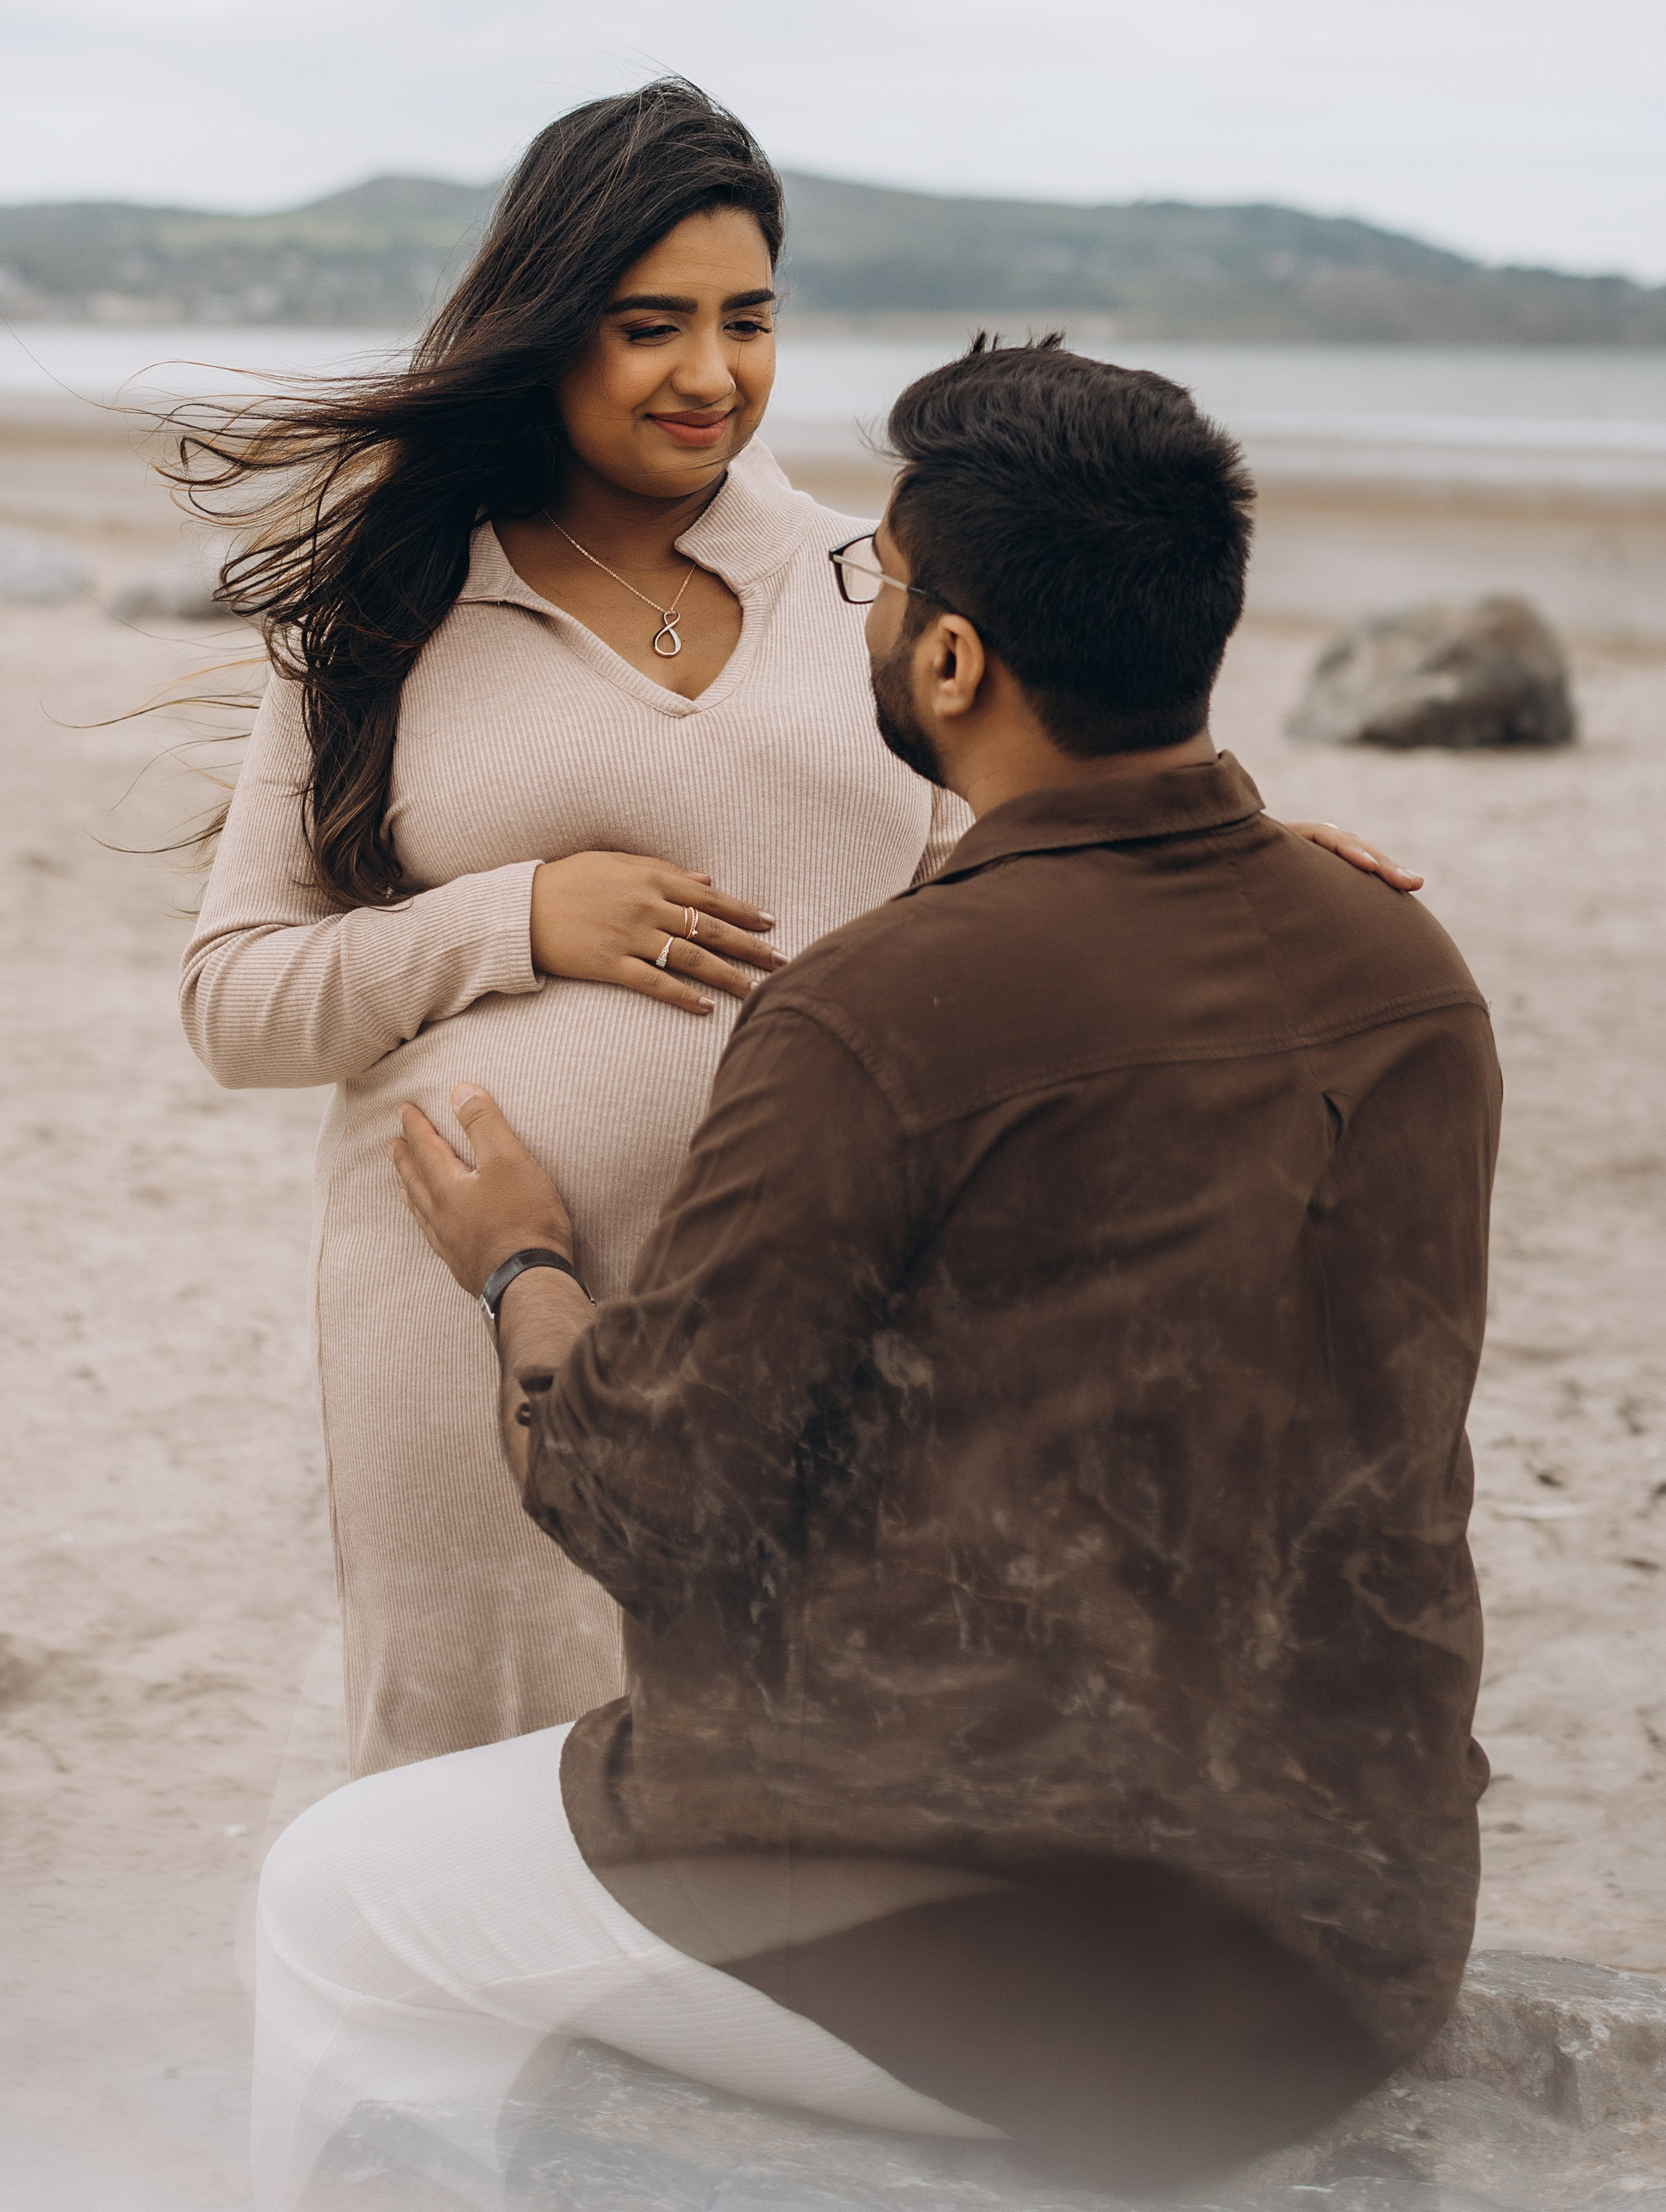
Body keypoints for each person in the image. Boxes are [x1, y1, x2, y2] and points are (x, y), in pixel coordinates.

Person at [251, 340, 1498, 2203]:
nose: (867, 601)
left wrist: (517, 1263)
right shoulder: (1408, 972)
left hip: (1028, 1965)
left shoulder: (881, 1013)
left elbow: (638, 1497)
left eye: (884, 578)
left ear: (948, 661)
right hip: (1365, 1928)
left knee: (334, 1896)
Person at [180, 78, 1410, 1782]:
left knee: (768, 1792)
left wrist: (1235, 853)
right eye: (648, 325)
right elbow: (236, 1003)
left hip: (814, 1298)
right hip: (453, 1285)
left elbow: (1038, 835)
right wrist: (512, 916)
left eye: (747, 318)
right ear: (544, 329)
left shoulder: (872, 580)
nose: (711, 374)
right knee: (460, 1766)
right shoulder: (381, 600)